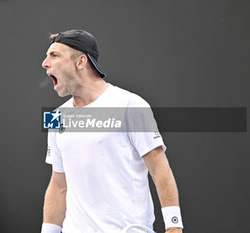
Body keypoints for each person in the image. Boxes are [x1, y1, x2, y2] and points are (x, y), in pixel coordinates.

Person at [40, 29, 184, 233]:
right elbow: (58, 184)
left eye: (54, 55)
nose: (45, 63)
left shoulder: (130, 105)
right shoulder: (56, 117)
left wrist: (174, 227)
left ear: (80, 62)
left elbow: (159, 168)